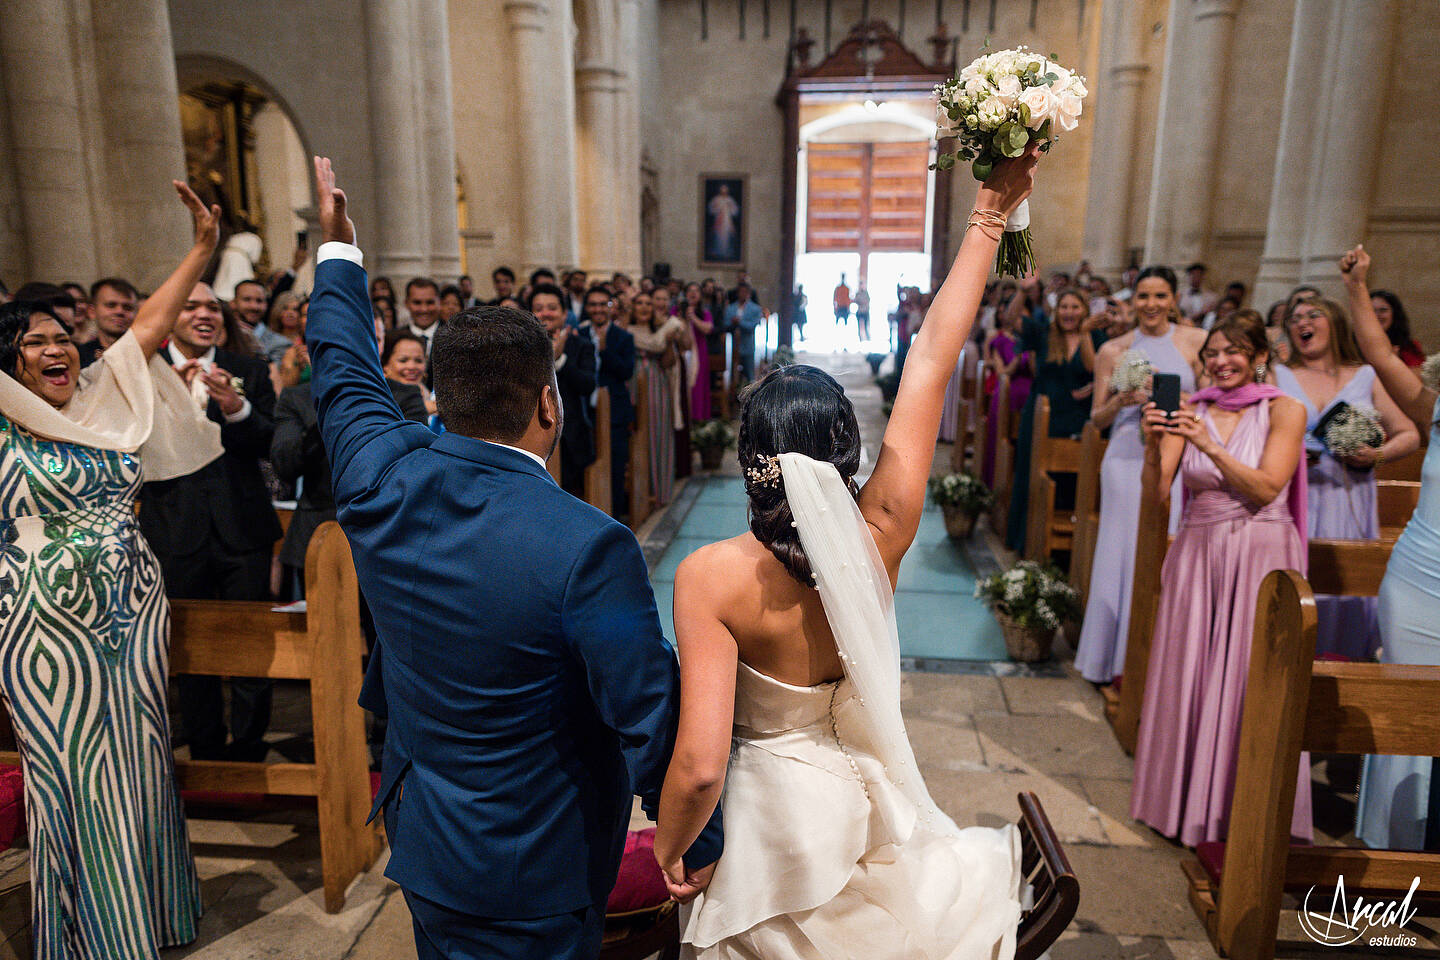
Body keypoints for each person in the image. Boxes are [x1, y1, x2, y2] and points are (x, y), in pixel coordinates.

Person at [304, 157, 721, 958]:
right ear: (546, 402)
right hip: (538, 868)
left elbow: (342, 370)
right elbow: (646, 713)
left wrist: (338, 252)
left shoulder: (374, 478)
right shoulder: (586, 545)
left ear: (437, 396)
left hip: (428, 843)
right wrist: (697, 839)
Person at [652, 148, 1040, 959]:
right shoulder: (884, 532)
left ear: (749, 456)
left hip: (770, 829)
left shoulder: (710, 577)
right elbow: (932, 357)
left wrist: (668, 846)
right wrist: (988, 215)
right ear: (846, 453)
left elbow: (697, 766)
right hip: (864, 799)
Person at [0, 180, 223, 958]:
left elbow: (153, 324)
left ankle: (147, 918)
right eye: (33, 341)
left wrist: (202, 246)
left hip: (131, 610)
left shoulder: (101, 398)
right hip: (40, 627)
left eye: (62, 335)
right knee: (71, 774)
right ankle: (88, 934)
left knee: (138, 759)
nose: (55, 348)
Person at [1129, 312, 1311, 846]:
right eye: (1212, 352)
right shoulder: (1190, 410)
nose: (1221, 361)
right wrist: (1151, 442)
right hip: (1198, 549)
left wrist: (1207, 444)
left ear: (1259, 356)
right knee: (1189, 669)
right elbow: (1158, 493)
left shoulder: (1286, 410)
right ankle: (1180, 805)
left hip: (1261, 554)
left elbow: (1266, 488)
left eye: (1234, 351)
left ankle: (1243, 810)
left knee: (1248, 676)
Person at [142, 280, 282, 763]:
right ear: (167, 316)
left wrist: (235, 407)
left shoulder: (246, 368)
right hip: (174, 528)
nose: (205, 315)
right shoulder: (144, 372)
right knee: (191, 644)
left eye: (211, 307)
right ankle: (203, 746)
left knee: (250, 644)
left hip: (242, 527)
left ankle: (248, 747)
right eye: (190, 306)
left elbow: (271, 444)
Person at [1341, 247, 1440, 851]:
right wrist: (1357, 285)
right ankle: (1392, 850)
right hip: (1420, 581)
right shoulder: (1436, 407)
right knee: (1405, 716)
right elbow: (1378, 352)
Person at [1073, 266, 1206, 685]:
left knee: (1163, 550)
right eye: (1143, 296)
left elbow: (1210, 399)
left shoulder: (1196, 342)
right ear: (1133, 302)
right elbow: (1096, 418)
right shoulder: (1114, 348)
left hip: (1178, 455)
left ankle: (1155, 659)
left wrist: (1184, 402)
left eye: (1160, 296)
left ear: (1174, 299)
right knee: (1119, 550)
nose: (1151, 305)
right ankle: (1108, 660)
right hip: (1127, 455)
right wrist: (1122, 401)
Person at [1273, 300, 1418, 658]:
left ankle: (1344, 665)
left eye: (1312, 315)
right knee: (1297, 582)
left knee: (1347, 580)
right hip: (1296, 495)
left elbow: (1408, 433)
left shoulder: (1366, 375)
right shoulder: (1278, 375)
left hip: (1348, 497)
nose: (1301, 323)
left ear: (1335, 322)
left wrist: (1376, 455)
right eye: (1294, 319)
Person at [1005, 288, 1103, 551]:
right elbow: (1011, 319)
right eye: (1064, 307)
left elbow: (1097, 370)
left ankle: (1065, 548)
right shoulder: (1044, 334)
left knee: (1073, 480)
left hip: (1077, 416)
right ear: (1056, 311)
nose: (1069, 312)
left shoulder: (1095, 336)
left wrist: (1095, 385)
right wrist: (1024, 292)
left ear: (1085, 310)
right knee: (1031, 474)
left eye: (1075, 307)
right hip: (1042, 414)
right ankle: (1027, 540)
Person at [529, 282, 597, 496]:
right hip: (531, 439)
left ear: (564, 313)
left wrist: (559, 360)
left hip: (571, 439)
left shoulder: (581, 345)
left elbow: (588, 385)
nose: (545, 314)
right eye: (539, 308)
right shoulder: (523, 348)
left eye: (552, 308)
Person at [579, 284, 635, 517]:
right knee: (586, 466)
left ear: (611, 307)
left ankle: (615, 517)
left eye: (603, 304)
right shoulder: (578, 334)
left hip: (615, 411)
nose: (598, 309)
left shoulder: (623, 337)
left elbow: (626, 372)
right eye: (593, 304)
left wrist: (604, 350)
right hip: (585, 410)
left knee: (614, 466)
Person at [628, 289, 686, 505]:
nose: (644, 307)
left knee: (660, 434)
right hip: (633, 382)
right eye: (639, 303)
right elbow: (653, 344)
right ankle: (640, 492)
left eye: (648, 304)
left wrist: (669, 342)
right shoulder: (627, 330)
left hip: (657, 383)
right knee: (637, 434)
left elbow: (667, 361)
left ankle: (660, 492)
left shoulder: (660, 331)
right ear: (633, 308)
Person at [980, 295, 1032, 488]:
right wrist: (1017, 360)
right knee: (1001, 441)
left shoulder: (1031, 340)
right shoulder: (999, 340)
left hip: (1028, 395)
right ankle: (997, 484)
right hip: (1007, 394)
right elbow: (1002, 372)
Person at [78, 276, 140, 366]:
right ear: (92, 311)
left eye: (127, 307)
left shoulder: (147, 354)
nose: (119, 311)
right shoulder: (79, 357)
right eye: (111, 305)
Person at [232, 278, 294, 364]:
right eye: (247, 299)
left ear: (266, 304)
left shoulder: (280, 344)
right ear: (233, 303)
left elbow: (271, 376)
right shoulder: (219, 336)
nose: (254, 306)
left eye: (259, 301)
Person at [381, 329, 437, 421]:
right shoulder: (379, 400)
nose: (412, 367)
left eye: (418, 361)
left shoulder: (434, 399)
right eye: (403, 360)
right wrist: (421, 408)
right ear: (385, 367)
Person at [1370, 289, 1425, 367]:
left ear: (1394, 314)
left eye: (1383, 310)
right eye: (1372, 311)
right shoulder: (1353, 348)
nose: (1377, 315)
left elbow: (1421, 375)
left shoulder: (1409, 347)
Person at [683, 281, 714, 422]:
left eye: (696, 291)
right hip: (683, 350)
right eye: (690, 290)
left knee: (698, 385)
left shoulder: (705, 313)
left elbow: (707, 329)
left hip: (699, 352)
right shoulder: (676, 310)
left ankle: (698, 418)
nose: (693, 293)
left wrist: (693, 317)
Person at [724, 282, 763, 383]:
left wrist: (739, 322)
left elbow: (753, 325)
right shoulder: (731, 308)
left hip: (748, 345)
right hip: (733, 346)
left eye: (745, 292)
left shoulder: (755, 309)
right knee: (732, 375)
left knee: (749, 374)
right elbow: (726, 323)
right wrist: (733, 323)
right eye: (741, 292)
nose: (743, 294)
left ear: (749, 293)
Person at [405, 278, 442, 355]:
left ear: (439, 302)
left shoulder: (453, 338)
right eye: (417, 303)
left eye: (430, 302)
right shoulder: (395, 339)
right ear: (406, 303)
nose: (424, 309)